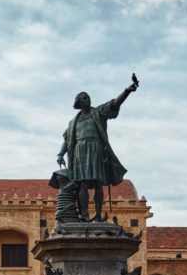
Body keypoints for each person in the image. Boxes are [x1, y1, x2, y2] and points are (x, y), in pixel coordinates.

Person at [56, 79, 138, 222]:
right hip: (79, 152)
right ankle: (85, 215)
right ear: (78, 102)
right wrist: (60, 153)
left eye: (88, 97)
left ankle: (99, 215)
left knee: (99, 183)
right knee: (82, 183)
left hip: (96, 149)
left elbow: (114, 104)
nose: (87, 99)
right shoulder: (73, 122)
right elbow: (66, 140)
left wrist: (127, 91)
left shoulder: (98, 112)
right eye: (84, 97)